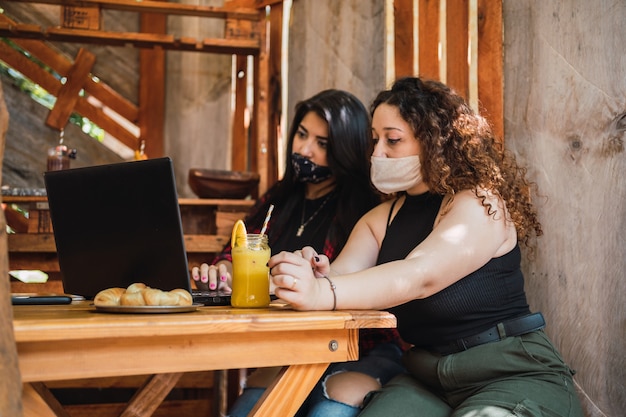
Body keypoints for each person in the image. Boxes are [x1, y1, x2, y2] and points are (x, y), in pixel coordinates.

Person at [268, 77, 584, 417]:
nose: (377, 154)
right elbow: (340, 279)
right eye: (374, 140)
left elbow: (419, 276)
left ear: (436, 141)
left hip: (510, 372)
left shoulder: (479, 202)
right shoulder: (379, 220)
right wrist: (306, 274)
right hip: (428, 378)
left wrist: (321, 291)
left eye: (392, 140)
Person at [192, 89, 406, 417]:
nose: (305, 150)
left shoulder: (365, 210)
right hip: (289, 348)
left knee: (326, 412)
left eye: (323, 144)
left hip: (361, 348)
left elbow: (360, 289)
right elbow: (239, 250)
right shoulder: (279, 198)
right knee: (249, 411)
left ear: (346, 151)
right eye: (302, 135)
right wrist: (222, 273)